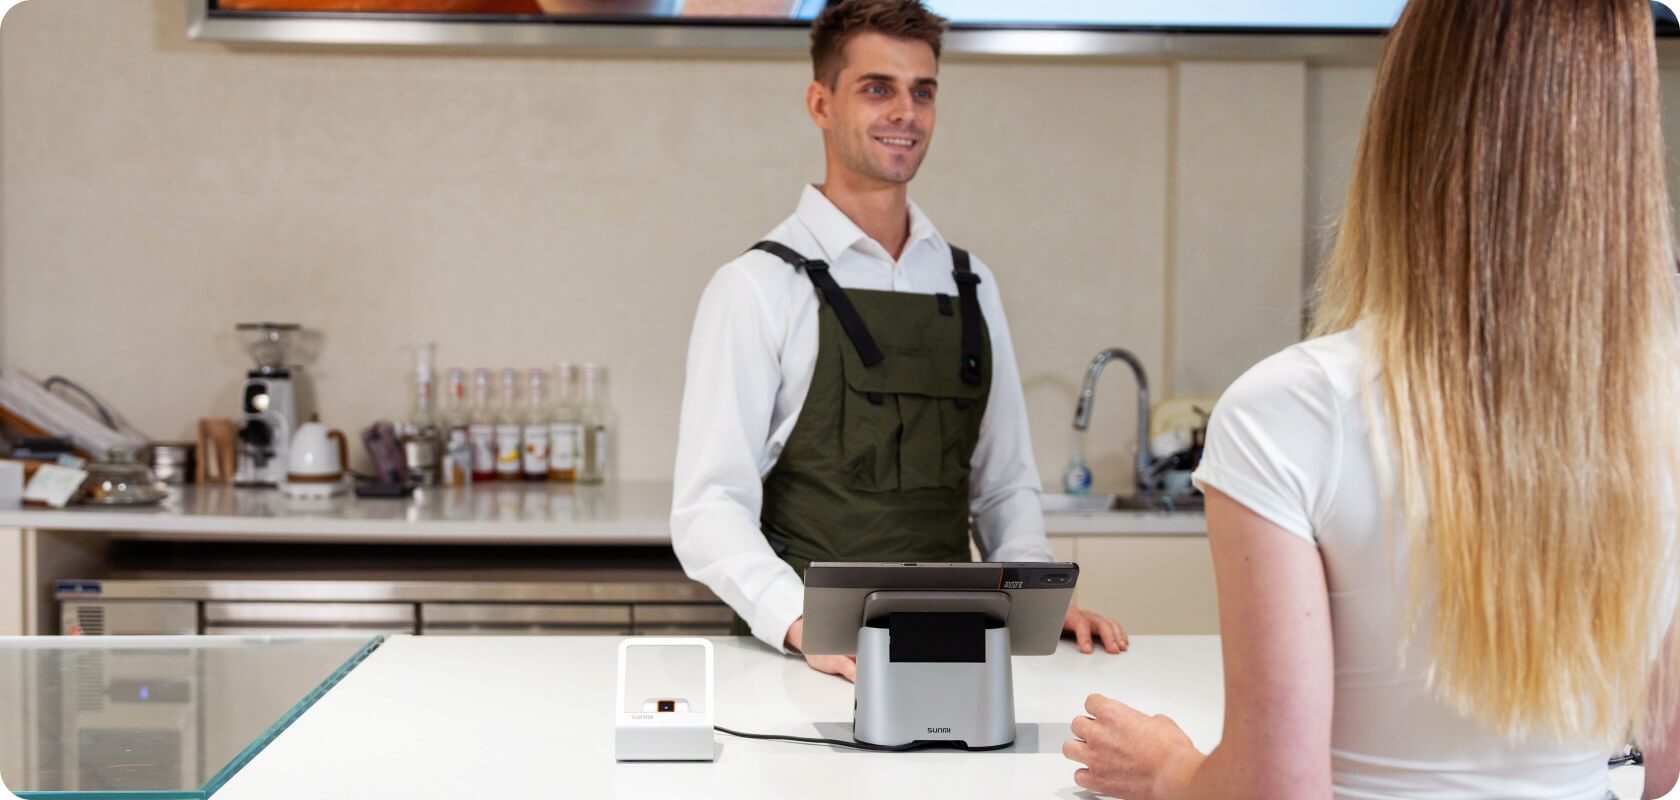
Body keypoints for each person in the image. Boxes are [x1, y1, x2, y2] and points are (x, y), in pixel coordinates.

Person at [1063, 0, 1680, 797]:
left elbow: (1274, 787)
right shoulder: (1660, 408)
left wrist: (1165, 766)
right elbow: (1661, 762)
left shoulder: (1286, 412)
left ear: (1403, 126)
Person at [671, 0, 1126, 682]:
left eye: (923, 92)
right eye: (877, 89)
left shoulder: (970, 283)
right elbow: (708, 509)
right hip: (807, 669)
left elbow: (1004, 488)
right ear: (820, 104)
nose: (905, 113)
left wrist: (1036, 595)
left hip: (959, 651)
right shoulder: (756, 287)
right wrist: (800, 624)